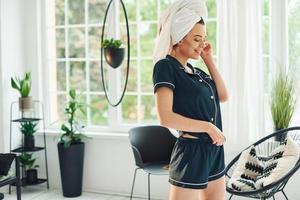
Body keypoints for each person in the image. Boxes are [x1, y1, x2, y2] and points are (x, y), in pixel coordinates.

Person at [152, 0, 229, 199]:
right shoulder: (165, 67)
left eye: (203, 39)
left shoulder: (197, 73)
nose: (202, 44)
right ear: (179, 38)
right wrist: (208, 127)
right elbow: (165, 118)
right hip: (191, 153)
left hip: (214, 152)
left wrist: (208, 59)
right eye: (196, 39)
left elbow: (223, 95)